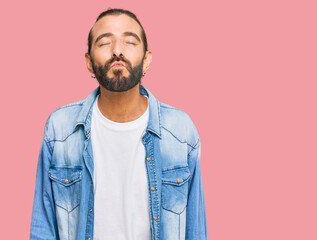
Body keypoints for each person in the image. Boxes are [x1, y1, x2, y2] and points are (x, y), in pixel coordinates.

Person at [30, 8, 207, 240]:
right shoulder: (60, 129)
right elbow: (43, 229)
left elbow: (196, 230)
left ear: (147, 59)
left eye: (130, 42)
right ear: (89, 62)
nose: (117, 51)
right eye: (104, 43)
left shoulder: (180, 131)